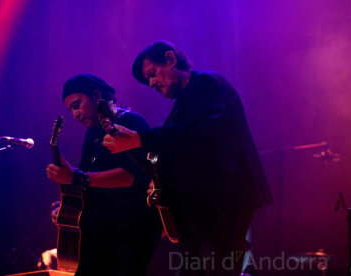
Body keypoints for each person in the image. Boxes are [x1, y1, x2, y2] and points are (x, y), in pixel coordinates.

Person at [103, 41, 273, 276]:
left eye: (152, 74)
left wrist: (140, 139)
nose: (152, 83)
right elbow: (183, 149)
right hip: (200, 207)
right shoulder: (184, 102)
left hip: (224, 200)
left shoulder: (205, 82)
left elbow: (198, 130)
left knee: (219, 266)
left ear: (171, 59)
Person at [46, 74, 162, 276]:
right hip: (101, 229)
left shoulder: (129, 121)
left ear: (97, 95)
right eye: (71, 110)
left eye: (77, 104)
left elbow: (130, 176)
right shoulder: (92, 134)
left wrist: (76, 177)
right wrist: (69, 206)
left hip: (130, 229)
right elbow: (86, 179)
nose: (75, 114)